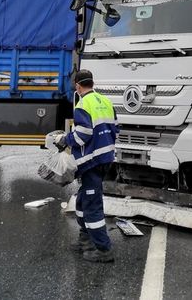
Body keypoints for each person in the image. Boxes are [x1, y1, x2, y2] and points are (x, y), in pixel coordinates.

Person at [58, 69, 118, 263]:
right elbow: (115, 127)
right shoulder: (105, 101)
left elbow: (82, 134)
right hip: (105, 159)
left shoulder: (83, 103)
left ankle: (104, 249)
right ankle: (86, 242)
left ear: (77, 85)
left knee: (92, 207)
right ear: (92, 82)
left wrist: (64, 139)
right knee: (82, 202)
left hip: (92, 162)